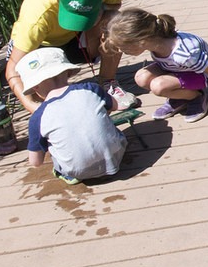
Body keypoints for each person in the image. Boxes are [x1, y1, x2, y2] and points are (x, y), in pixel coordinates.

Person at [5, 0, 134, 115]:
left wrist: (100, 13)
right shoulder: (38, 12)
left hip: (75, 38)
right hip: (41, 47)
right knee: (47, 96)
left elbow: (115, 5)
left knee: (115, 21)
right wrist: (32, 107)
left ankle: (108, 82)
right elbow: (12, 69)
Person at [17, 46, 127, 184]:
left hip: (77, 170)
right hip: (116, 156)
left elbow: (35, 162)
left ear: (34, 87)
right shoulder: (90, 88)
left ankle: (69, 175)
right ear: (68, 72)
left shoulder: (38, 117)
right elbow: (115, 105)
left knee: (53, 147)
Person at [108, 8, 208, 123]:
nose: (121, 51)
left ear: (141, 40)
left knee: (159, 86)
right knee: (141, 77)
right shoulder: (156, 42)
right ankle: (179, 97)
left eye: (123, 47)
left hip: (204, 75)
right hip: (179, 69)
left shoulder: (184, 55)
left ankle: (196, 97)